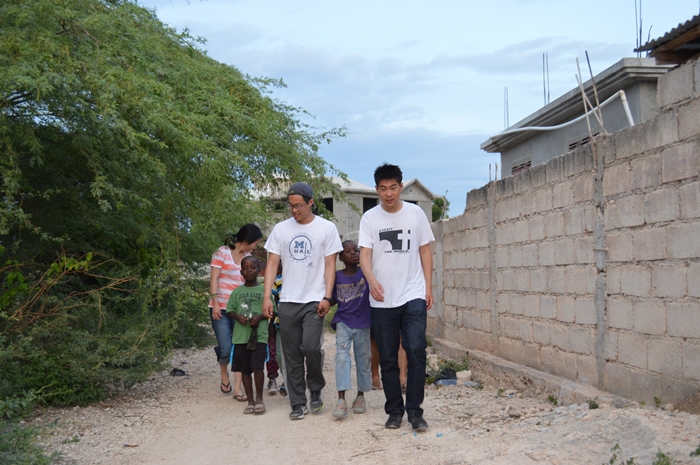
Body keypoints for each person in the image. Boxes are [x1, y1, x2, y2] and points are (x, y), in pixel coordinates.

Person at [358, 163, 435, 432]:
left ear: (401, 187)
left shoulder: (415, 213)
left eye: (393, 187)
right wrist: (371, 281)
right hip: (382, 298)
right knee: (388, 356)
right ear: (377, 189)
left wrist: (428, 286)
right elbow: (364, 254)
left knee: (416, 349)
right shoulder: (370, 218)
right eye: (383, 189)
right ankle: (394, 410)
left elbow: (425, 251)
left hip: (413, 292)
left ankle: (415, 411)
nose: (388, 193)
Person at [262, 182, 343, 420]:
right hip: (288, 300)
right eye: (290, 206)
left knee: (310, 347)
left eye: (299, 206)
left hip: (314, 300)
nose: (294, 210)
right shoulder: (280, 229)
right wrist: (267, 296)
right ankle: (298, 403)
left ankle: (315, 389)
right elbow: (272, 264)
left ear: (311, 203)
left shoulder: (326, 228)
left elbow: (330, 265)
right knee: (291, 354)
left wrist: (327, 296)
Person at [209, 224, 262, 401]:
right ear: (247, 240)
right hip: (221, 308)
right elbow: (214, 279)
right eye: (255, 243)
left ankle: (238, 388)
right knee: (225, 349)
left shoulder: (248, 259)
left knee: (240, 348)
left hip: (241, 310)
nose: (256, 247)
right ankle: (224, 373)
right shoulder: (221, 252)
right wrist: (215, 303)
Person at [330, 240, 372, 420]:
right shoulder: (336, 276)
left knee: (363, 358)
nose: (353, 253)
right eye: (348, 251)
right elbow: (332, 298)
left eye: (356, 250)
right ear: (341, 257)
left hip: (363, 322)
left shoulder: (366, 273)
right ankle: (341, 400)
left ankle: (360, 396)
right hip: (343, 322)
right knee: (341, 358)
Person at [227, 257, 272, 415]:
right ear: (241, 272)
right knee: (244, 370)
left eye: (253, 267)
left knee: (258, 367)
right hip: (241, 337)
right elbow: (229, 311)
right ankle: (250, 401)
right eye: (245, 268)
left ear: (259, 271)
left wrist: (260, 317)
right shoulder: (237, 292)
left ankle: (259, 399)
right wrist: (237, 317)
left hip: (259, 336)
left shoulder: (265, 291)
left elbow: (272, 311)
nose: (249, 270)